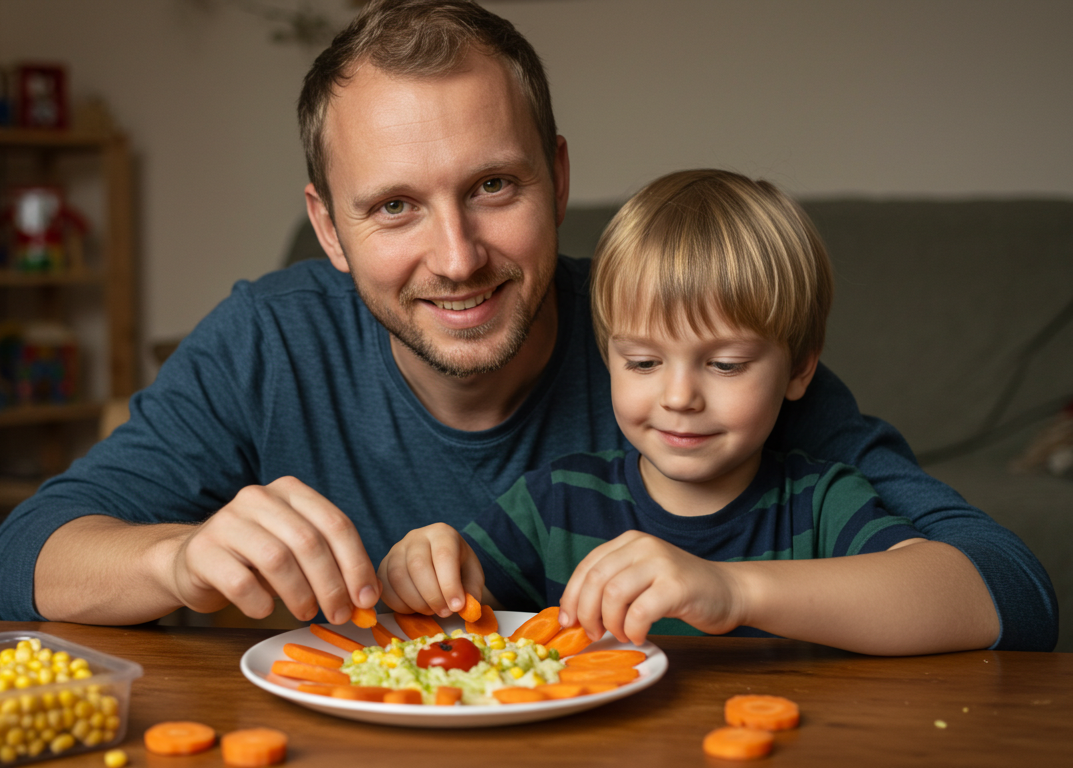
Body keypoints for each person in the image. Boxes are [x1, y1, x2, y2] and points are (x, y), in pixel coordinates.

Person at [0, 0, 1056, 651]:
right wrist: (179, 561)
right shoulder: (267, 340)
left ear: (558, 175)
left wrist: (738, 589)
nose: (456, 257)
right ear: (329, 227)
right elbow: (23, 559)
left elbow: (1004, 587)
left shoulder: (669, 339)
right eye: (394, 206)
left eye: (493, 186)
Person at [380, 169, 991, 655]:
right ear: (607, 358)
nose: (679, 397)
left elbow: (969, 599)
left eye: (725, 365)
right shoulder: (554, 503)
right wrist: (428, 570)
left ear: (801, 368)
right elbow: (453, 620)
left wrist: (731, 591)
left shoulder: (824, 505)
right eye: (643, 363)